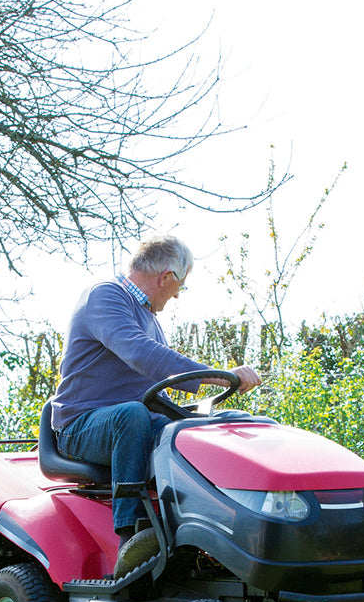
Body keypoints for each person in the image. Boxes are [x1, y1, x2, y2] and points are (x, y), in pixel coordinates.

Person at [50, 234, 261, 574]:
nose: (178, 295)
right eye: (181, 285)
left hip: (132, 421)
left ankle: (218, 531)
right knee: (132, 415)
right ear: (166, 277)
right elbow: (141, 353)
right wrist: (218, 376)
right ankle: (130, 536)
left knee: (201, 432)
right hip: (81, 425)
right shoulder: (105, 296)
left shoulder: (149, 317)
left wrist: (197, 420)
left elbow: (155, 388)